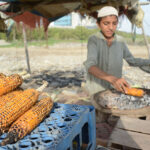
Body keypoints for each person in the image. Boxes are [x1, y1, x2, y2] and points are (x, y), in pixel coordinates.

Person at [84, 6, 150, 95]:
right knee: (98, 106)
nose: (111, 27)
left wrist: (148, 62)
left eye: (114, 23)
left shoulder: (120, 40)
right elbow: (90, 65)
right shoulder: (93, 39)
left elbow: (132, 61)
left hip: (115, 88)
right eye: (106, 23)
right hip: (97, 88)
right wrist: (113, 79)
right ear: (98, 24)